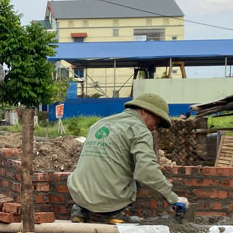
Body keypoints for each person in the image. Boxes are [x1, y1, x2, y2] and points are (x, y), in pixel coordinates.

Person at [67, 93, 189, 223]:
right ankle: (116, 214)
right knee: (136, 173)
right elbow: (146, 171)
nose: (155, 127)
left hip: (78, 194)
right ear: (144, 111)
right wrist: (173, 198)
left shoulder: (99, 124)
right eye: (157, 121)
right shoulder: (140, 130)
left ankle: (79, 211)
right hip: (109, 199)